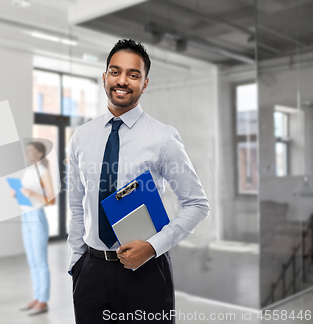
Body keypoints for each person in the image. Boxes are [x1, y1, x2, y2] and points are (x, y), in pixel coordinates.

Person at [67, 39, 210, 323]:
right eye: (115, 71)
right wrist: (77, 261)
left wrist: (154, 246)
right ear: (104, 76)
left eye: (133, 75)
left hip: (146, 272)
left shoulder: (163, 138)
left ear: (145, 83)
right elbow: (76, 204)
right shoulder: (81, 137)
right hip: (92, 272)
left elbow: (197, 204)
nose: (123, 80)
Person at [11, 141, 55, 316]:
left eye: (30, 151)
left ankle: (43, 301)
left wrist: (33, 193)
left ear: (39, 153)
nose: (27, 154)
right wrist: (17, 193)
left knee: (41, 261)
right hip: (25, 216)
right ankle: (37, 297)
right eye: (26, 151)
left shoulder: (44, 172)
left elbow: (52, 200)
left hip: (37, 218)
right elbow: (26, 195)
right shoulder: (28, 172)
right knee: (32, 261)